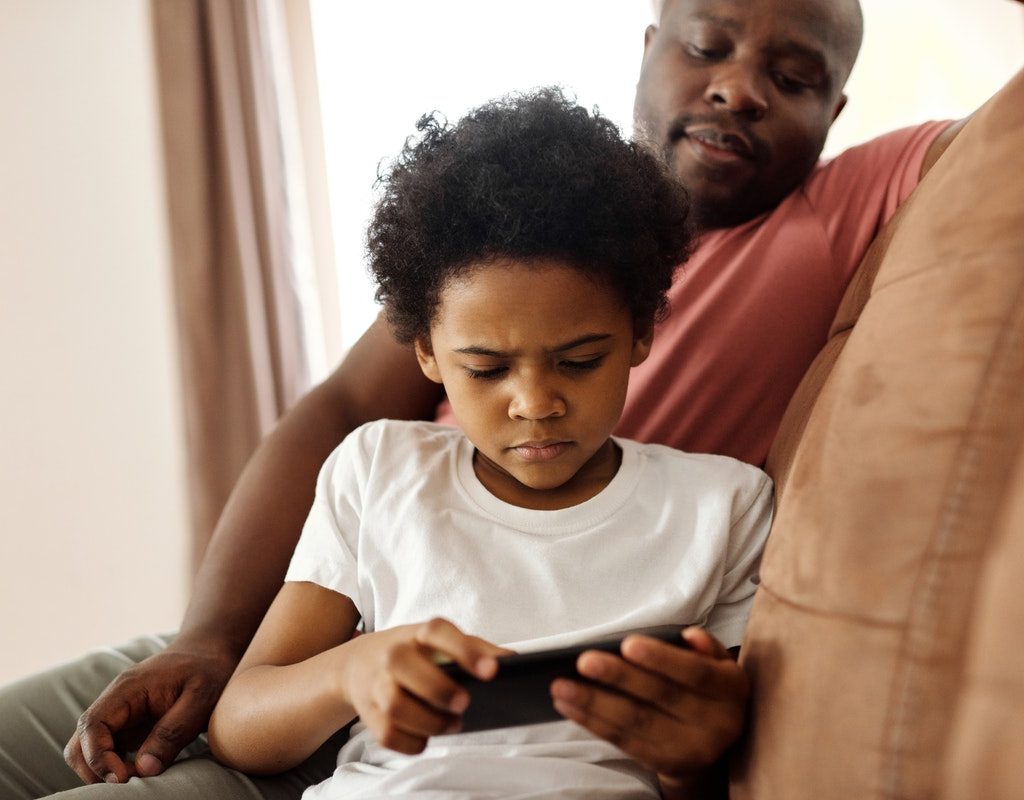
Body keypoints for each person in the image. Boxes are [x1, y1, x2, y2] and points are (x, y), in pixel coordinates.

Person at [0, 0, 991, 797]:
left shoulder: (838, 209)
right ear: (648, 47)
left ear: (836, 110)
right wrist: (209, 639)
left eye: (794, 76)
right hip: (324, 620)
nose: (738, 86)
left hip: (474, 707)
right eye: (705, 46)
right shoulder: (495, 241)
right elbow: (340, 410)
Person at [206, 87, 772, 800]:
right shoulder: (379, 471)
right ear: (427, 353)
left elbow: (722, 773)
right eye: (486, 369)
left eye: (579, 361)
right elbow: (238, 728)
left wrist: (690, 760)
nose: (536, 404)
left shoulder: (724, 505)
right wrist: (351, 671)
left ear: (638, 334)